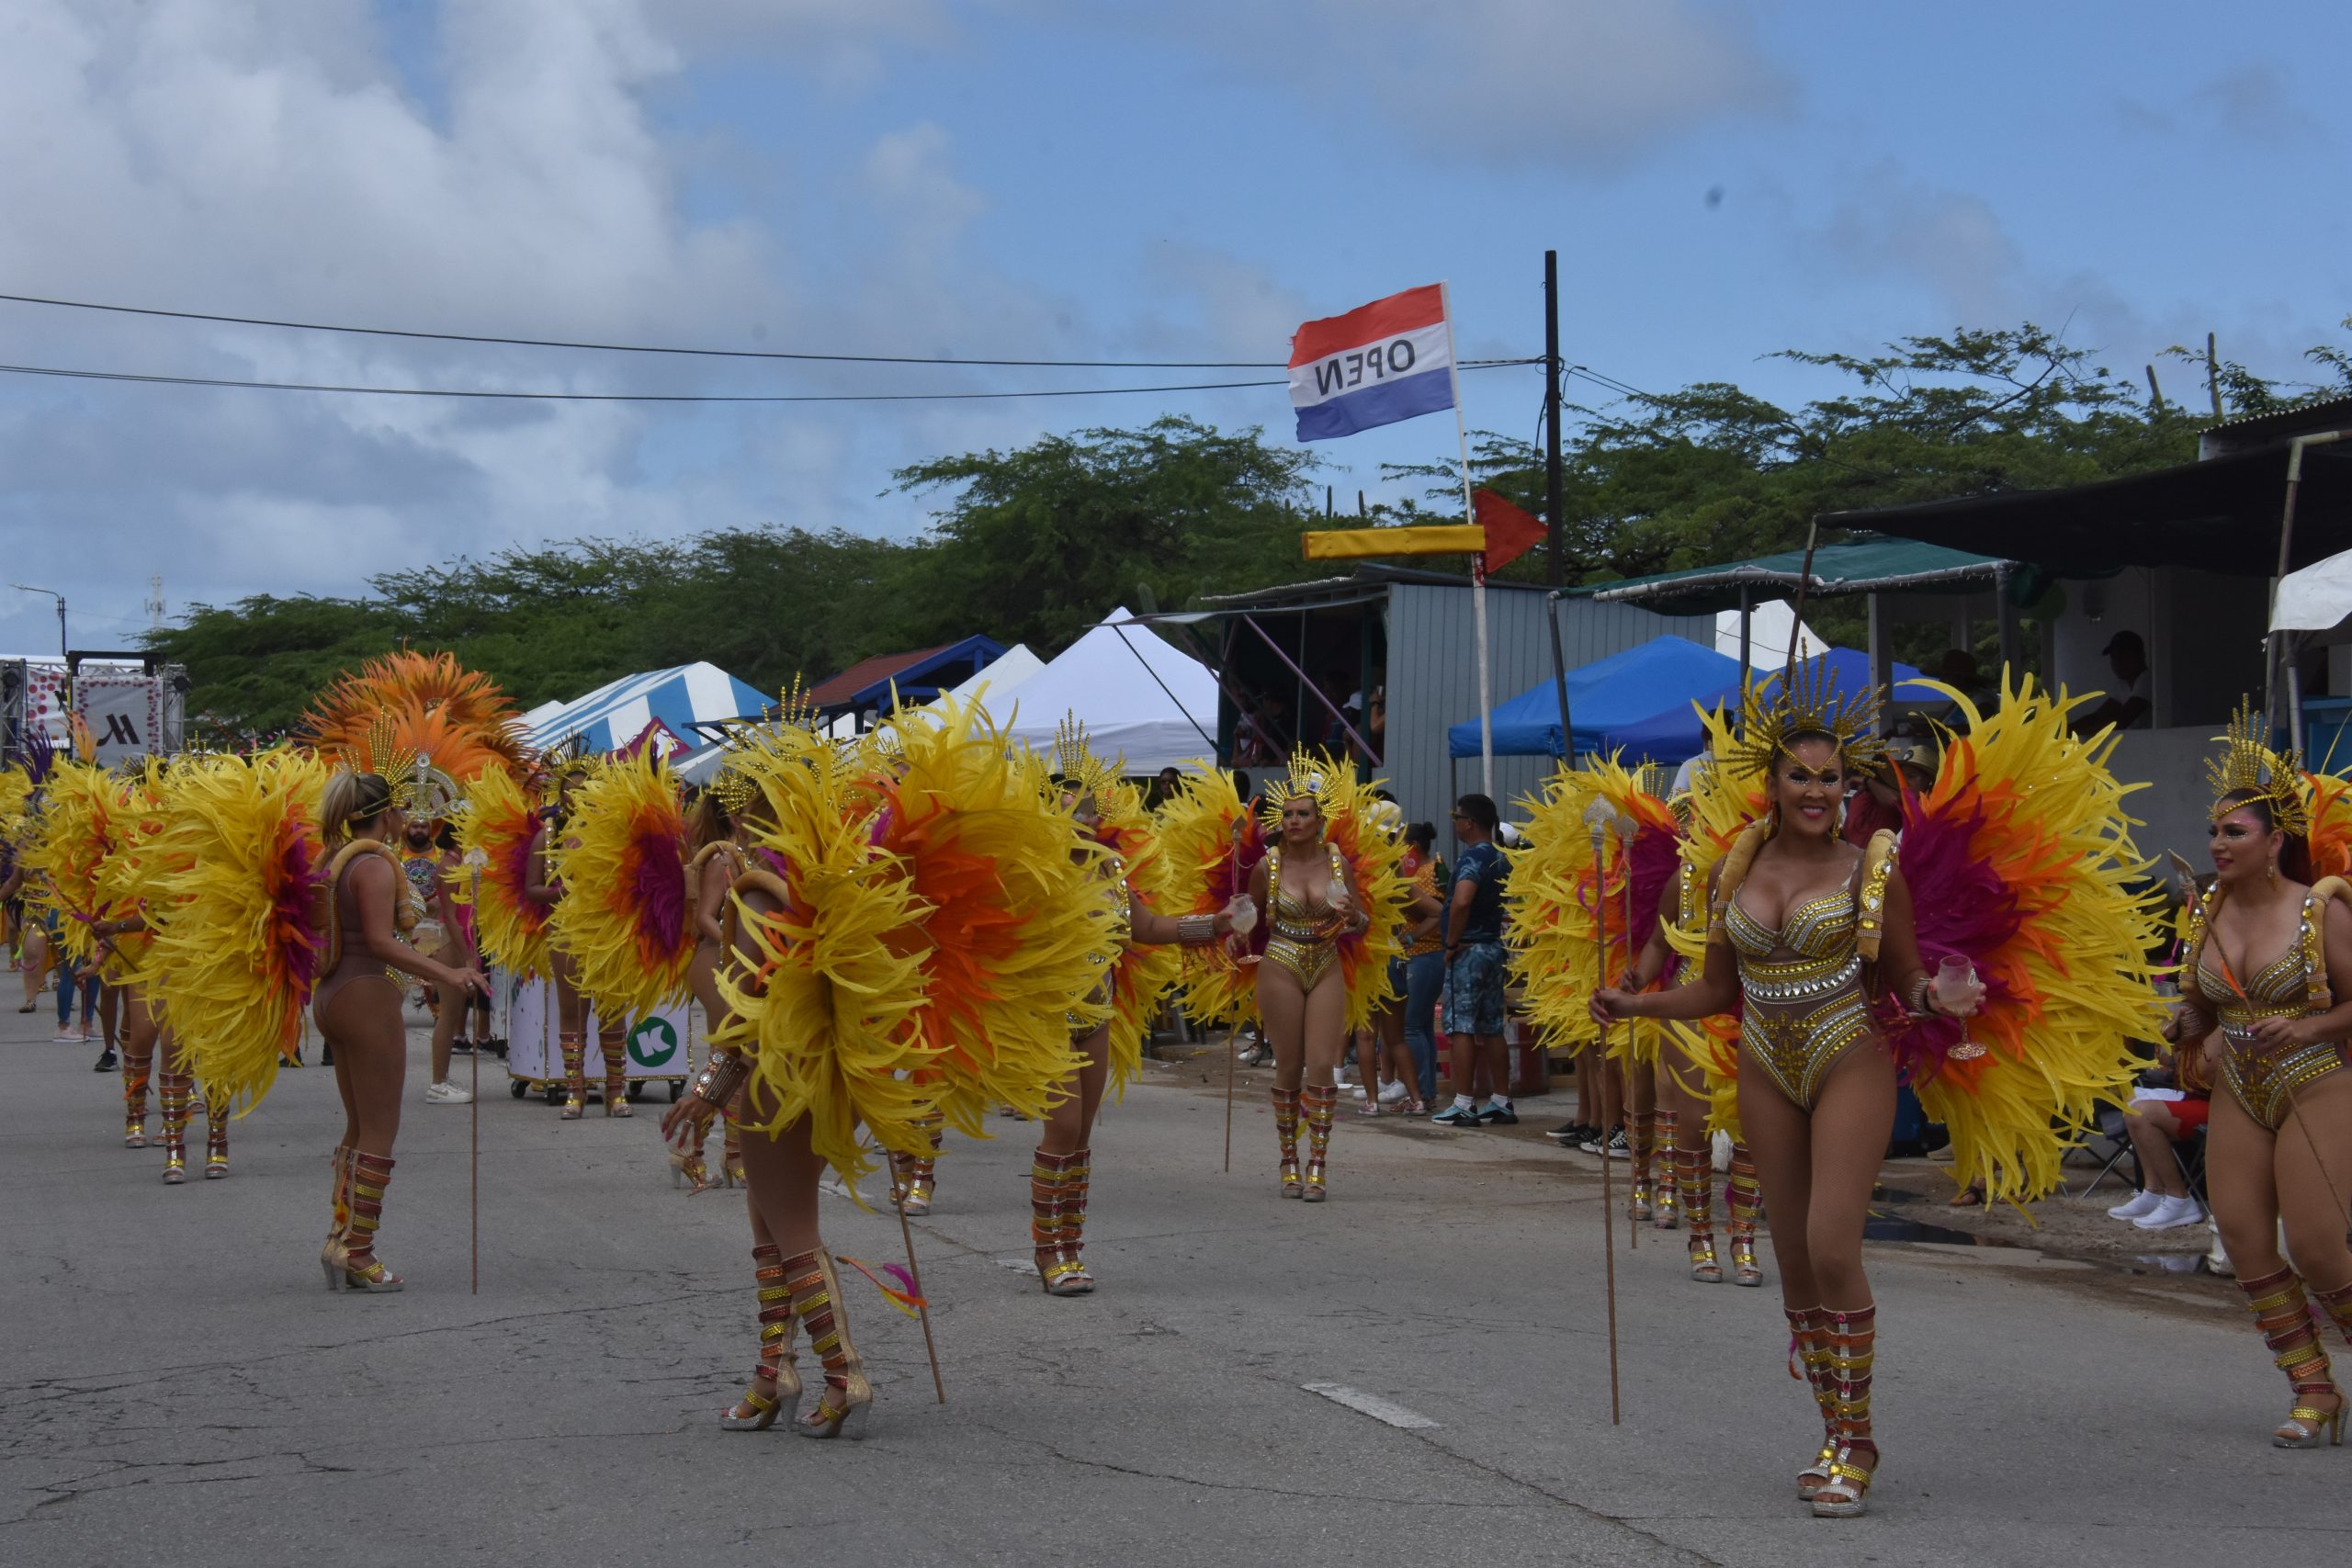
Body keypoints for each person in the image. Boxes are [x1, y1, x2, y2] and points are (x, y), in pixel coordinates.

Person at [1592, 671, 1983, 1517]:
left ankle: (1861, 1439)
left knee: (1832, 1242)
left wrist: (1934, 998)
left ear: (1849, 787)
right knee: (1795, 1257)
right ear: (1769, 783)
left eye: (1831, 776)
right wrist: (1637, 1002)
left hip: (1849, 1053)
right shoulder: (1737, 868)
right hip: (1767, 1059)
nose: (1817, 789)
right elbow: (1716, 992)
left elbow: (1906, 973)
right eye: (1800, 774)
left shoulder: (1872, 869)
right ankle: (1834, 1431)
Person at [2162, 705, 2352, 1446]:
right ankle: (2313, 1387)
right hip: (2242, 1083)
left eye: (2234, 832)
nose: (2218, 843)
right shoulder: (2204, 910)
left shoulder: (2317, 912)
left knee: (2315, 1244)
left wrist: (2305, 1025)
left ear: (2276, 841)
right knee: (2242, 1236)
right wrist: (2188, 1026)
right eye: (2214, 831)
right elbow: (2200, 1009)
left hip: (2315, 1078)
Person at [1025, 725, 1235, 1291]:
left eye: (1088, 811)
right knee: (1063, 1126)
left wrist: (1210, 926)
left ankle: (1071, 1247)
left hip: (1096, 1011)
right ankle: (1048, 1253)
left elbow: (1147, 929)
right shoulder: (1030, 875)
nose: (1081, 819)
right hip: (1046, 1016)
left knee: (1083, 1134)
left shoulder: (1112, 874)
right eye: (1068, 809)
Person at [312, 761, 488, 1291]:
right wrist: (449, 973)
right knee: (380, 1131)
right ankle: (360, 1252)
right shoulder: (374, 865)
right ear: (387, 814)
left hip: (334, 997)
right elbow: (383, 941)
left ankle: (340, 1239)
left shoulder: (333, 859)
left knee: (357, 1128)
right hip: (365, 995)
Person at [1245, 754, 1398, 1199]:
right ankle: (1288, 1159)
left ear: (1318, 820)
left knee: (1322, 1067)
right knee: (1289, 1066)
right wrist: (1236, 923)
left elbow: (1363, 922)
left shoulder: (1337, 864)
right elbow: (1249, 917)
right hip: (1281, 962)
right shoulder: (1267, 867)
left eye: (1303, 814)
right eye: (1288, 814)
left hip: (1326, 961)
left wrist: (1353, 917)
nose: (1294, 821)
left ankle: (1318, 1163)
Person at [1432, 794, 1514, 1126]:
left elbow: (1463, 900)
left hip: (1469, 949)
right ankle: (1502, 1099)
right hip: (1494, 947)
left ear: (1469, 822)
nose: (1454, 822)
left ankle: (1464, 1102)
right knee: (1492, 1026)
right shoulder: (1500, 858)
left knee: (1461, 1026)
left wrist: (1452, 942)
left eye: (1457, 816)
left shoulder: (1472, 859)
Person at [403, 815, 474, 1106]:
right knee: (448, 1015)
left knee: (454, 1013)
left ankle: (442, 1078)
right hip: (450, 941)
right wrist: (468, 957)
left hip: (459, 940)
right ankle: (437, 1083)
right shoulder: (447, 865)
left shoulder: (460, 862)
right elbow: (451, 917)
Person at [2105, 1082, 2209, 1230]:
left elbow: (2209, 1073)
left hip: (2225, 1106)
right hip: (2194, 1096)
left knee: (2143, 1113)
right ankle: (2153, 1192)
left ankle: (2179, 1198)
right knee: (2132, 1106)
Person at [2074, 630, 2151, 735]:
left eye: (2123, 655)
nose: (2118, 662)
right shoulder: (2122, 685)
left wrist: (2072, 733)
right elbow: (2097, 716)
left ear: (2141, 655)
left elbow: (2121, 721)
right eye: (2114, 657)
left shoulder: (2148, 680)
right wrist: (2065, 730)